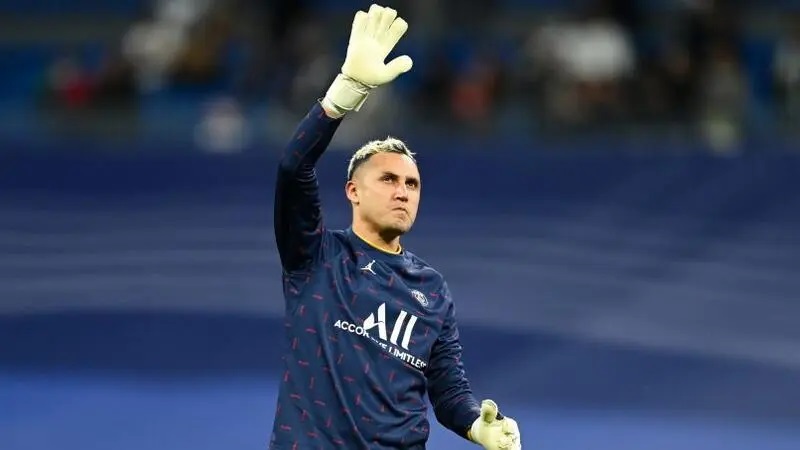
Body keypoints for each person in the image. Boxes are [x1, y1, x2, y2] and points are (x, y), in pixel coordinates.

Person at [271, 4, 522, 449]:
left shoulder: (431, 288)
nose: (403, 191)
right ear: (353, 191)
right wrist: (344, 93)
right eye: (388, 179)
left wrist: (477, 425)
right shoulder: (315, 256)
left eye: (412, 183)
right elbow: (294, 168)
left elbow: (449, 392)